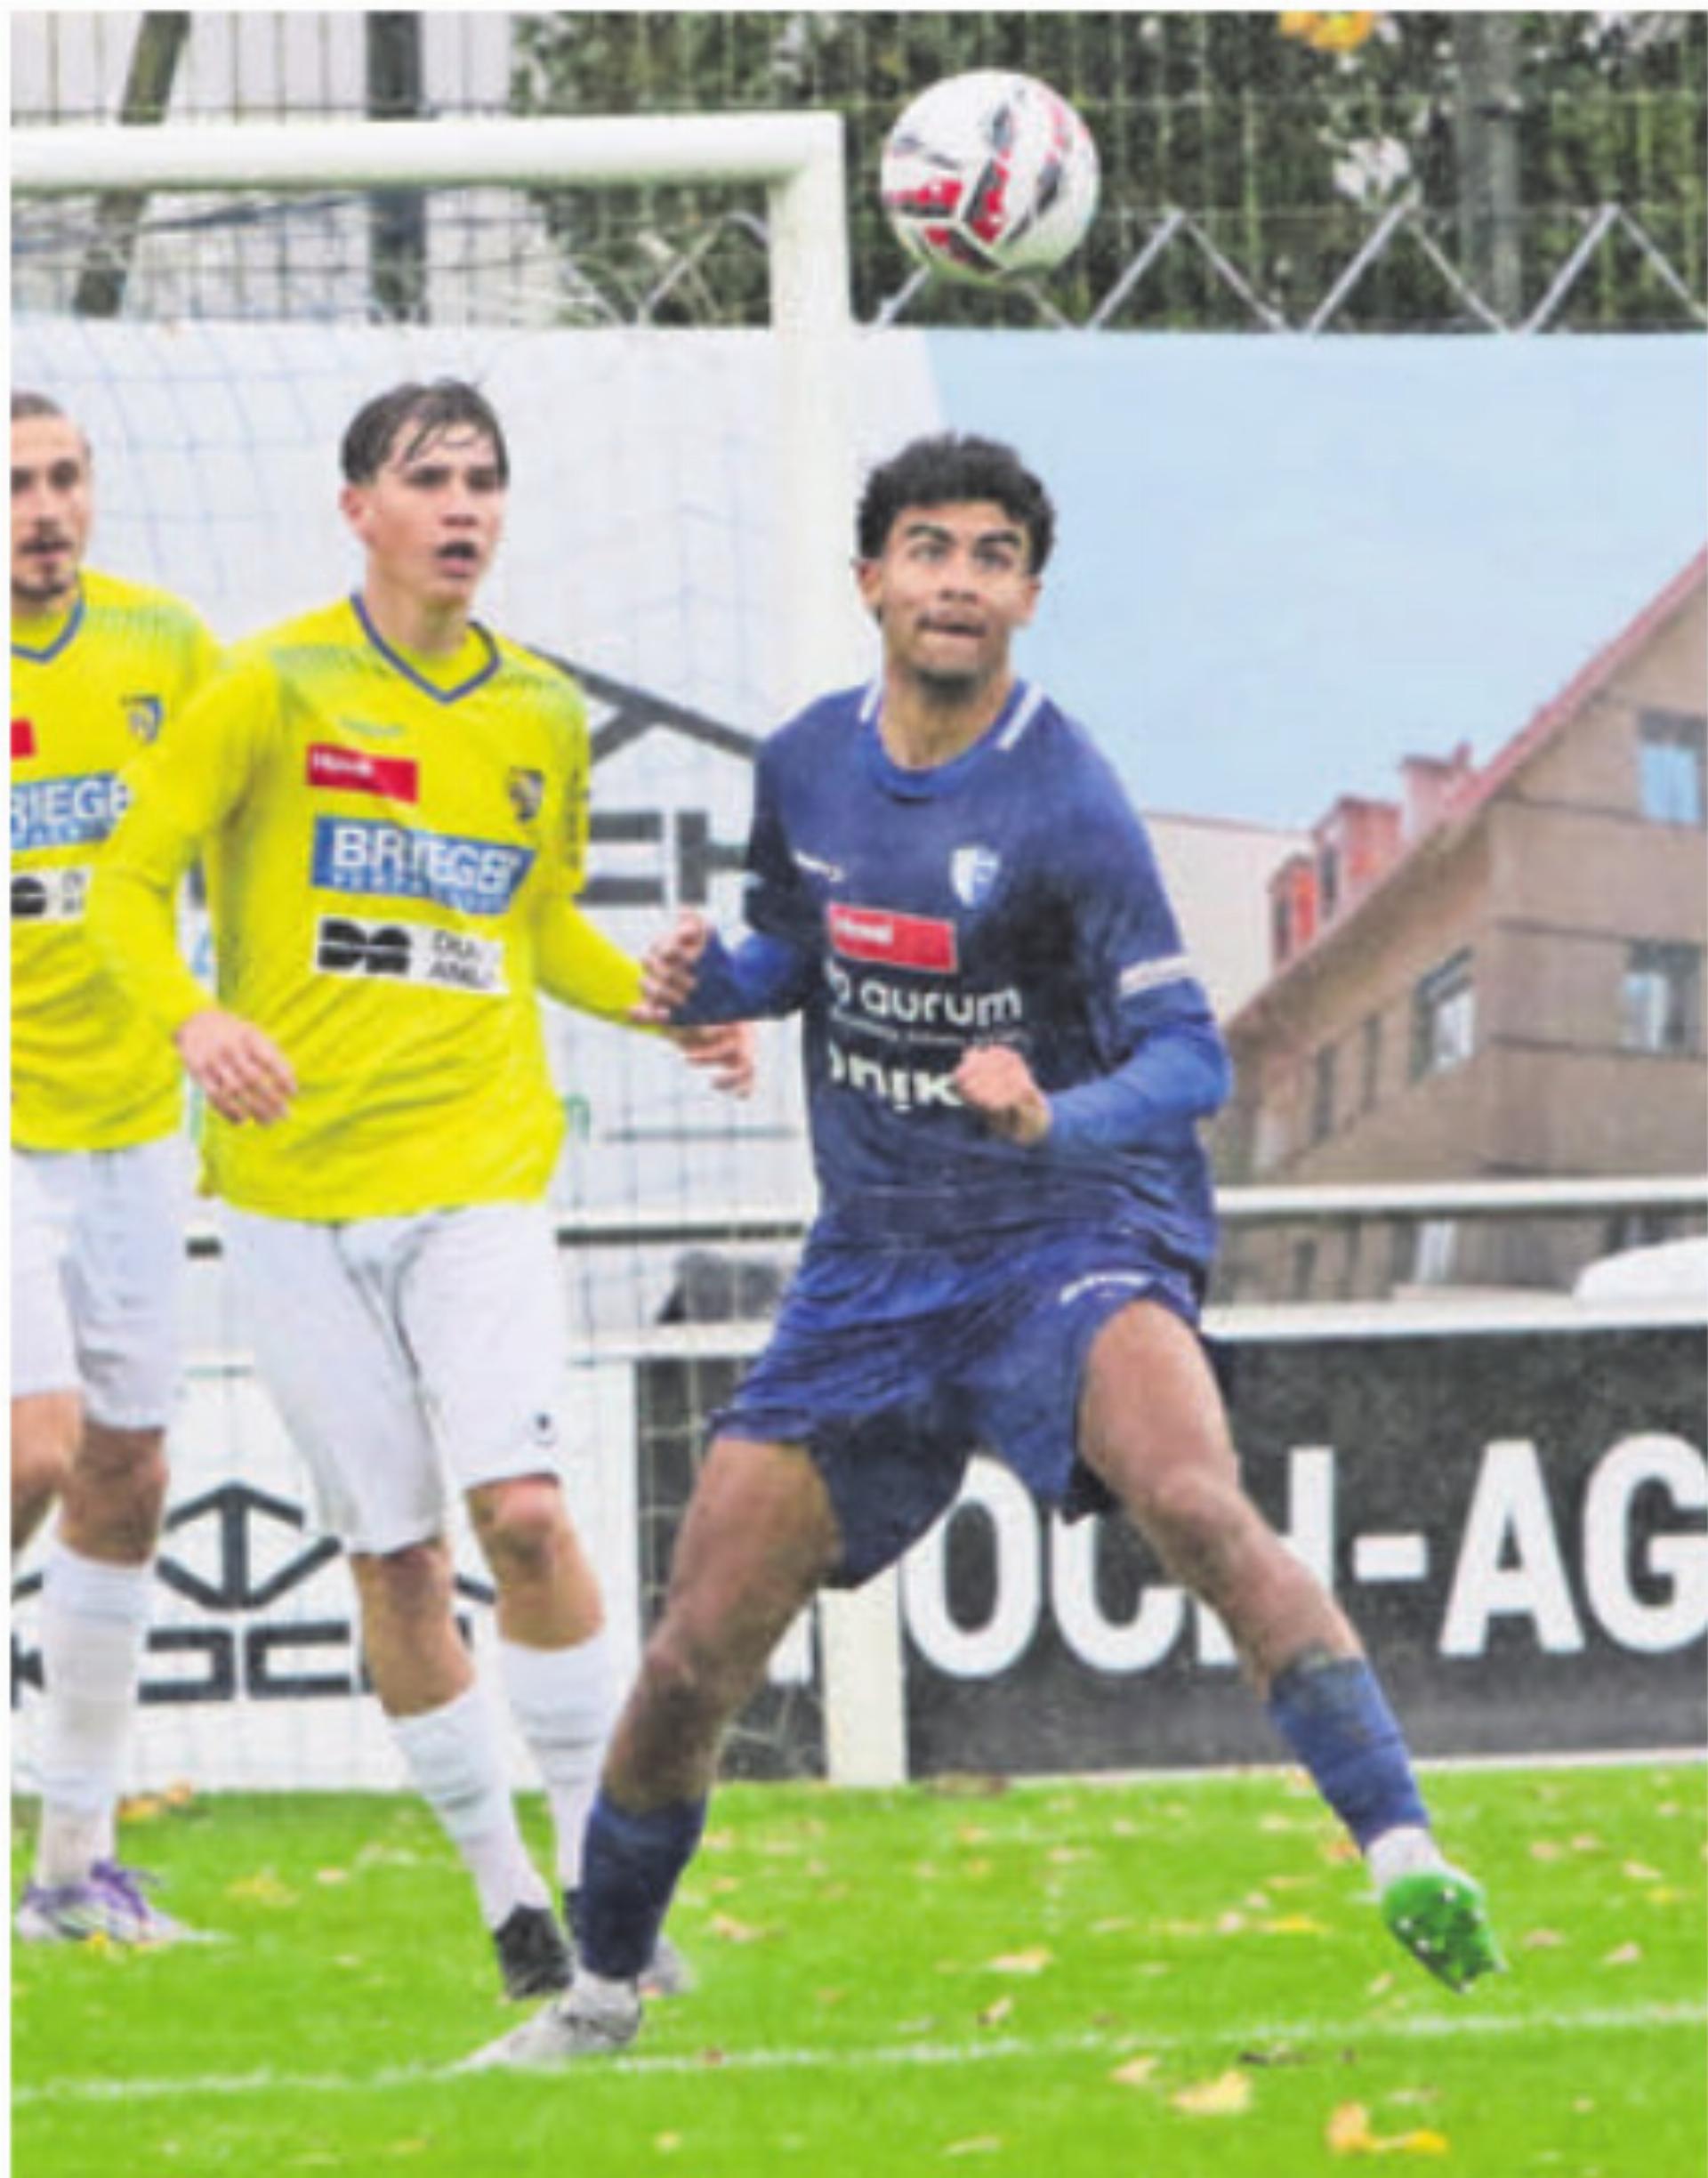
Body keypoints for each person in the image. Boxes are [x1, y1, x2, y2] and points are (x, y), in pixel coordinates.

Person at [468, 431, 1503, 2069]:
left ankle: (1405, 1851)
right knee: (691, 1656)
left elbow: (1194, 1062)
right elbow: (797, 952)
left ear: (1027, 595)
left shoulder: (1067, 798)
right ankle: (598, 2002)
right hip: (873, 1268)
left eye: (994, 555)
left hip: (1065, 1237)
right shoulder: (806, 764)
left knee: (1192, 1499)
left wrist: (1049, 1114)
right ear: (872, 578)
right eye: (931, 549)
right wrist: (711, 983)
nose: (959, 580)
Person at [86, 378, 752, 2000]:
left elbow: (534, 926)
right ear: (357, 509)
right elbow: (123, 882)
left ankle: (606, 1891)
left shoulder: (537, 712)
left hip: (477, 1177)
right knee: (394, 1560)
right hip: (291, 1203)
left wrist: (663, 1004)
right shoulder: (269, 685)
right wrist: (195, 1018)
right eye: (430, 478)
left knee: (523, 1516)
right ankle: (511, 1904)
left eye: (484, 480)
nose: (463, 507)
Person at [12, 391, 222, 1946]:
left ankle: (71, 1871)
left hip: (138, 1119)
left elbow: (250, 838)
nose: (44, 509)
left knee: (128, 1472)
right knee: (37, 1445)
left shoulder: (164, 648)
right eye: (16, 484)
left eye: (64, 478)